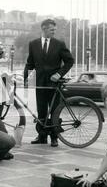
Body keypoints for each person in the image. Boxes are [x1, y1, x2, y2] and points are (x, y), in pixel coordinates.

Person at [23, 19, 74, 147]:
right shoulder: (33, 44)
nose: (54, 32)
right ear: (44, 29)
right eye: (52, 30)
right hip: (40, 83)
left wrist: (59, 74)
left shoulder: (59, 44)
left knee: (54, 110)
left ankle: (54, 137)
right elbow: (30, 63)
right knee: (41, 111)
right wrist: (26, 79)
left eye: (55, 30)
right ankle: (42, 136)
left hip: (54, 83)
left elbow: (69, 61)